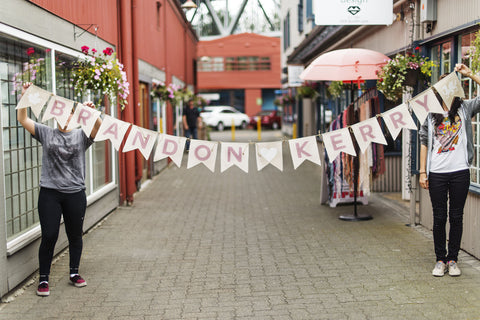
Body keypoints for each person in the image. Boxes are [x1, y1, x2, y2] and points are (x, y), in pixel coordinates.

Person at [17, 82, 102, 296]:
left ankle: (74, 273)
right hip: (50, 193)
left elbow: (98, 128)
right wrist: (25, 97)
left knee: (75, 235)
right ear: (55, 116)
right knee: (49, 235)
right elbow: (23, 119)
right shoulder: (46, 133)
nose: (64, 119)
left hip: (75, 193)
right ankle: (44, 279)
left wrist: (91, 113)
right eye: (60, 115)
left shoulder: (81, 136)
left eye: (68, 115)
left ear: (74, 117)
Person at [419, 63, 480, 277]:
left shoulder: (465, 108)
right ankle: (440, 260)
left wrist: (470, 74)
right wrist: (422, 172)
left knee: (456, 217)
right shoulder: (430, 113)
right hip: (436, 173)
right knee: (439, 217)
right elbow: (424, 142)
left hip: (459, 172)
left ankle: (453, 259)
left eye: (451, 85)